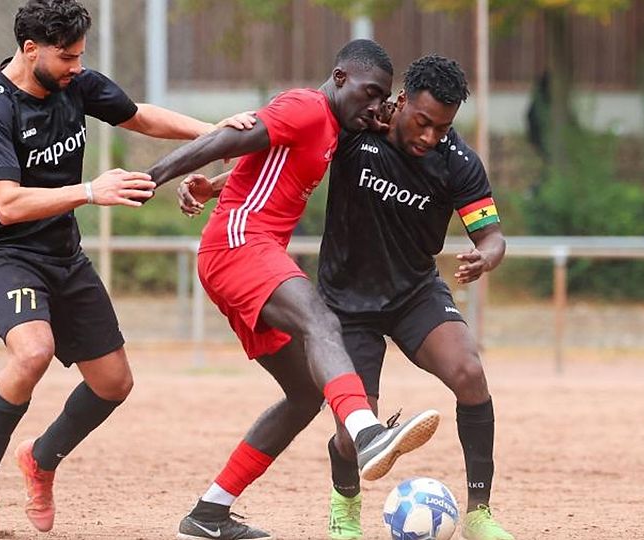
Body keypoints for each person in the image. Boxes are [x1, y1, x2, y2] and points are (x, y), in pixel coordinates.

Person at [178, 54, 515, 540]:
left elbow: (493, 234)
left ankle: (480, 513)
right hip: (345, 303)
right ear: (401, 102)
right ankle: (345, 509)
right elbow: (292, 162)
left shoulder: (457, 162)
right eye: (422, 122)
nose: (429, 137)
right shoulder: (357, 131)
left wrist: (488, 255)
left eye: (442, 129)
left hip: (413, 293)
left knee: (469, 372)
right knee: (351, 430)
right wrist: (216, 187)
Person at [0, 0, 255, 533]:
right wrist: (92, 192)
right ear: (30, 50)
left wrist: (215, 132)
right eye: (67, 56)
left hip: (60, 253)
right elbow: (6, 204)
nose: (76, 66)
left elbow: (139, 115)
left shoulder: (75, 83)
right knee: (34, 351)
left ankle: (41, 458)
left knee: (114, 383)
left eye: (80, 55)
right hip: (2, 252)